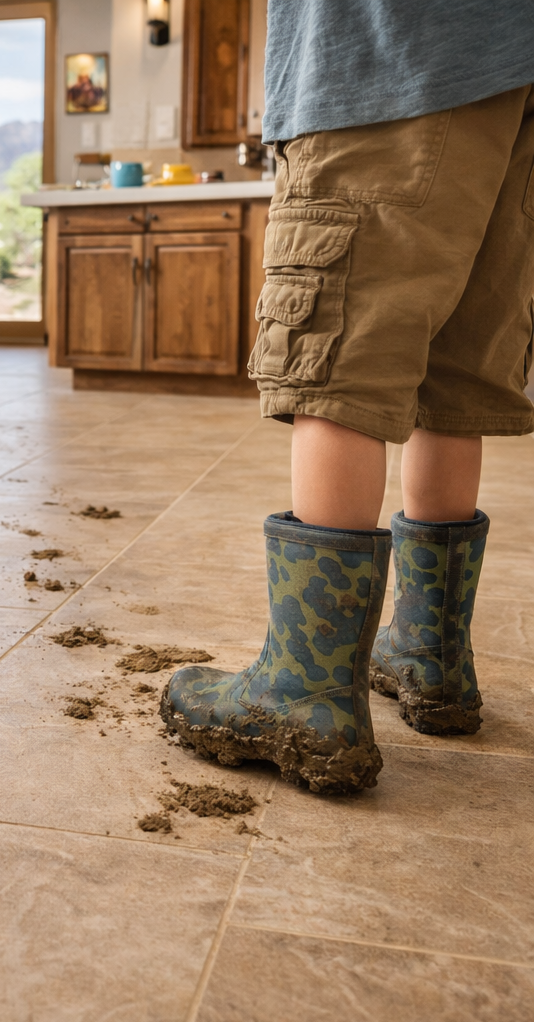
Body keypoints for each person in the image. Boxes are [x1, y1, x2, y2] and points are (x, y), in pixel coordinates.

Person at [160, 1, 534, 795]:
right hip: (514, 77)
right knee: (449, 372)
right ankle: (430, 657)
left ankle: (306, 691)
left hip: (388, 66)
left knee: (338, 359)